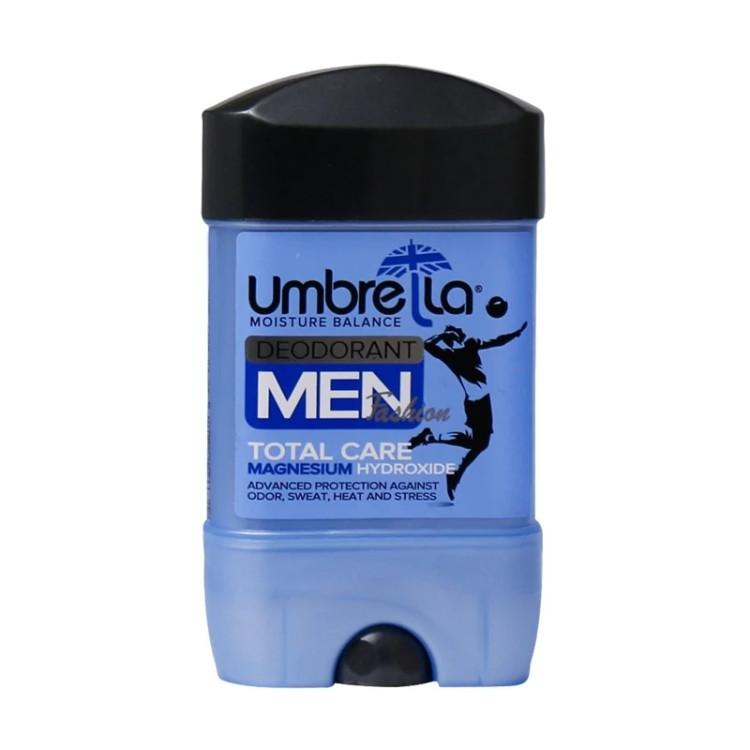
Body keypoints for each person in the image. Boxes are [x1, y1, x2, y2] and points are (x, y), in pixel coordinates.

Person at [409, 321, 527, 500]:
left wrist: (515, 334)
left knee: (477, 443)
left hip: (480, 400)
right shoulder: (449, 354)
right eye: (453, 335)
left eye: (457, 333)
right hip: (476, 403)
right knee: (480, 443)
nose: (458, 335)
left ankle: (431, 440)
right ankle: (452, 470)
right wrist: (442, 334)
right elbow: (426, 344)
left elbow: (496, 341)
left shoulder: (471, 344)